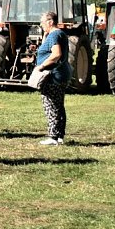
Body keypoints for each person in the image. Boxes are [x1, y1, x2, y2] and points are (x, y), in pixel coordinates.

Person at [35, 11, 70, 145]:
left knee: (50, 105)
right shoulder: (59, 34)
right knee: (59, 105)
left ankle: (53, 137)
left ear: (50, 22)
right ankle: (59, 135)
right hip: (61, 74)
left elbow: (56, 54)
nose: (41, 25)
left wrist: (42, 66)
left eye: (43, 22)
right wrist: (45, 35)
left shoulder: (54, 35)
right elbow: (47, 49)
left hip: (53, 75)